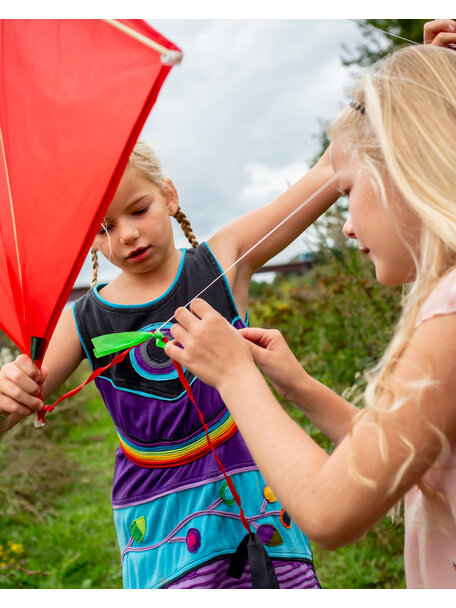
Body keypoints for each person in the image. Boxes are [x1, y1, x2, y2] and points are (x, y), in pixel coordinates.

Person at [164, 40, 456, 588]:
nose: (345, 224)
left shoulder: (449, 314)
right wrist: (298, 386)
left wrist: (233, 373)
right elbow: (405, 461)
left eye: (346, 192)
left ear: (405, 166)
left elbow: (327, 509)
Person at [0, 139, 339, 587]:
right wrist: (7, 395)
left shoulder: (221, 262)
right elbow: (14, 409)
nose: (126, 235)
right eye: (103, 229)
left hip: (255, 497)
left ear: (169, 196)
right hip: (159, 524)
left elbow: (324, 180)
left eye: (138, 210)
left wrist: (367, 115)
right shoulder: (82, 320)